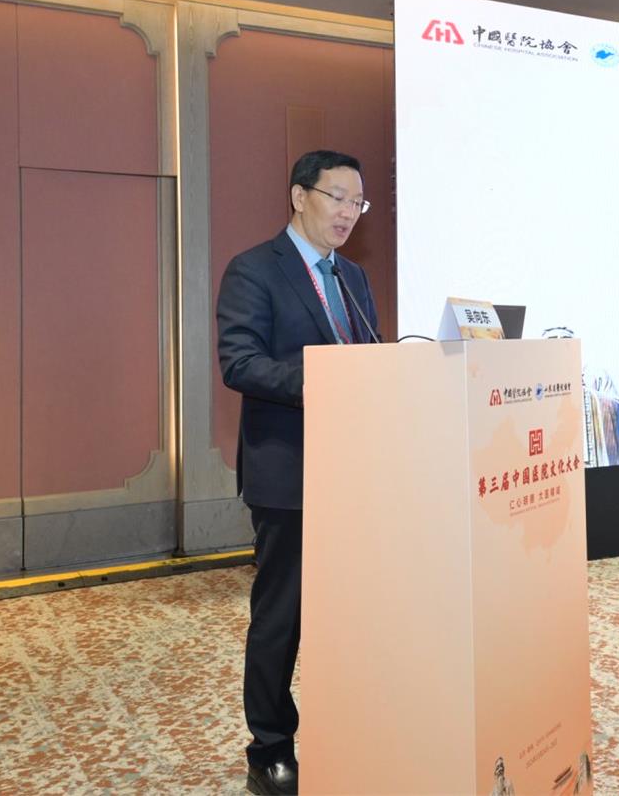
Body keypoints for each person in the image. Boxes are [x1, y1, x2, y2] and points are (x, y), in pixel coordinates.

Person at [217, 149, 380, 796]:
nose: (348, 213)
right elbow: (239, 360)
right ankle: (271, 746)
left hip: (353, 470)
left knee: (350, 608)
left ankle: (347, 727)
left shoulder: (354, 277)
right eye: (337, 197)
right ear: (299, 195)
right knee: (281, 613)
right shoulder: (254, 269)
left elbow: (367, 361)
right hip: (288, 471)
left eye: (357, 202)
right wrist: (319, 381)